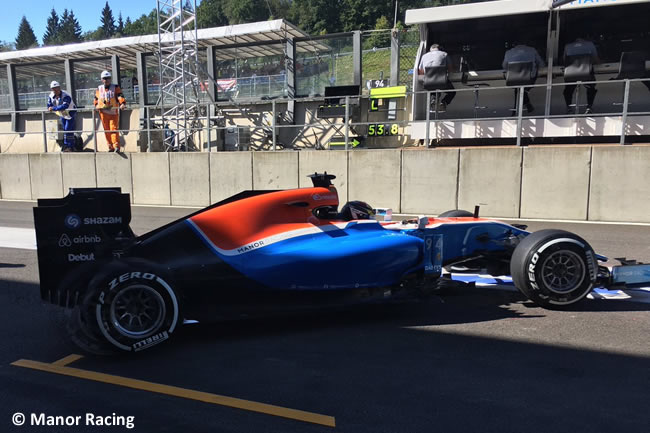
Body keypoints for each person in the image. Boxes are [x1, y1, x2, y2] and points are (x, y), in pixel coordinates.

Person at [502, 42, 545, 113]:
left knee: (517, 87)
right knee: (522, 87)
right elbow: (541, 64)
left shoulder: (508, 52)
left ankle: (516, 110)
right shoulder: (532, 50)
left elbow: (504, 66)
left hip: (513, 79)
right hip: (529, 79)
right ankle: (525, 99)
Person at [563, 37, 600, 114]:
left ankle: (568, 107)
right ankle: (589, 107)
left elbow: (564, 60)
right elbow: (595, 59)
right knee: (591, 87)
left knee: (568, 89)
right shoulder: (590, 44)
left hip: (571, 74)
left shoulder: (567, 46)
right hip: (586, 73)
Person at [94, 70, 126, 152]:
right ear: (102, 79)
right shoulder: (99, 88)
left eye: (108, 78)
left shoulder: (115, 87)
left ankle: (116, 146)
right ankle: (110, 146)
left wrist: (122, 103)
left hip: (113, 112)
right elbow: (96, 99)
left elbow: (120, 95)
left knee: (113, 129)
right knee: (107, 130)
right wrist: (95, 106)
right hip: (103, 113)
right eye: (105, 78)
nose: (106, 80)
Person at [418, 44, 456, 111]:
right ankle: (444, 103)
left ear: (430, 49)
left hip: (428, 82)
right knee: (452, 92)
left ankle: (433, 101)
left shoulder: (424, 56)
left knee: (433, 89)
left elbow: (421, 71)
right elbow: (450, 69)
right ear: (439, 48)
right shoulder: (444, 54)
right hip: (441, 81)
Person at [47, 81, 77, 152]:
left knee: (68, 129)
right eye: (53, 89)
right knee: (65, 129)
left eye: (57, 88)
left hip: (70, 113)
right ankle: (69, 145)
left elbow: (65, 106)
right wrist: (50, 107)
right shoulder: (51, 96)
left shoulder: (66, 95)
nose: (55, 90)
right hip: (62, 113)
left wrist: (53, 108)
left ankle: (69, 146)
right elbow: (49, 105)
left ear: (59, 88)